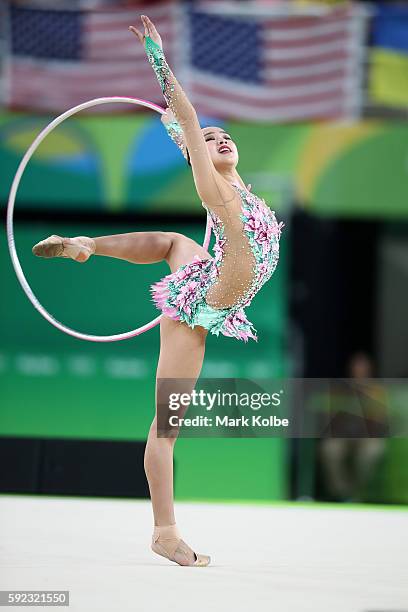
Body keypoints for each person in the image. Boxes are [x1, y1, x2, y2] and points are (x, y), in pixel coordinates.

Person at [32, 15, 284, 566]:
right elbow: (187, 119)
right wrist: (156, 56)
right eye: (207, 140)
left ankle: (87, 245)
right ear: (197, 157)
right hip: (209, 298)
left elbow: (180, 125)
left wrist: (179, 129)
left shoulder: (244, 194)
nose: (218, 139)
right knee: (167, 427)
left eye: (226, 136)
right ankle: (164, 531)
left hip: (212, 274)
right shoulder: (215, 190)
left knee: (174, 242)